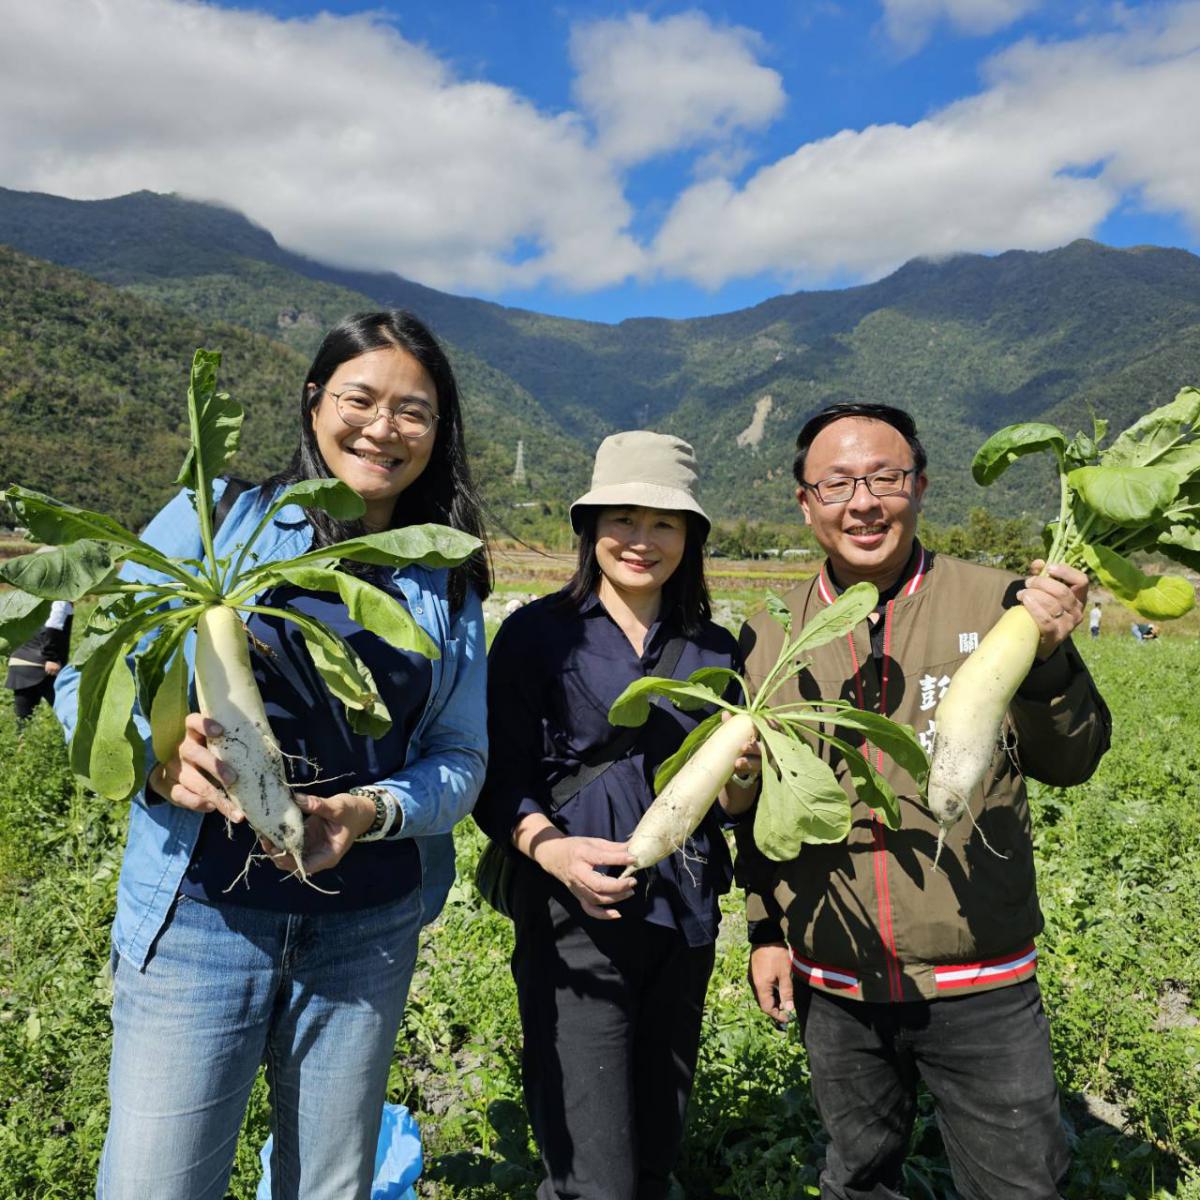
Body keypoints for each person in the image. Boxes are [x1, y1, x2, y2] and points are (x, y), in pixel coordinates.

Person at [54, 311, 490, 1200]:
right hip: (202, 921)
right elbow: (82, 684)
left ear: (437, 433)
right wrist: (154, 759)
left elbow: (459, 756)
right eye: (359, 399)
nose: (383, 428)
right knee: (154, 1186)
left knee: (326, 1189)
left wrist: (367, 812)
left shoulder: (442, 576)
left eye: (414, 411)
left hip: (363, 931)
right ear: (313, 403)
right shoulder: (214, 520)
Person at [737, 402, 1111, 1200]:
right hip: (837, 982)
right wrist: (766, 929)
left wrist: (1046, 663)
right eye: (836, 483)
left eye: (886, 477)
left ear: (922, 486)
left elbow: (1072, 760)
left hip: (981, 976)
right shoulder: (770, 635)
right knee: (859, 1175)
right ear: (804, 501)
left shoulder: (1001, 604)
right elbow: (755, 811)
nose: (863, 501)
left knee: (1017, 1185)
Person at [475, 432, 758, 1200]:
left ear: (690, 537)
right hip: (571, 920)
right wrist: (555, 854)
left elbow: (733, 806)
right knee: (589, 1168)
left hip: (684, 912)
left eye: (664, 523)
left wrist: (742, 780)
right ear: (589, 527)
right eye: (622, 518)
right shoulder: (536, 636)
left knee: (656, 1150)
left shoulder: (715, 649)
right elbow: (498, 782)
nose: (641, 540)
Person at [5, 598, 73, 722]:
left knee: (24, 719)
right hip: (41, 665)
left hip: (19, 662)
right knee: (71, 712)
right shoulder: (60, 600)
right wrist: (51, 657)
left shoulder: (33, 597)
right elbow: (53, 625)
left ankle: (22, 740)